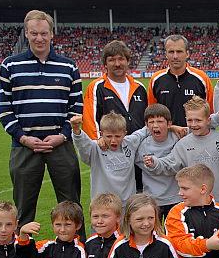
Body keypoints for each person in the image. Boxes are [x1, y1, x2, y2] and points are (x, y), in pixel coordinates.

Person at [0, 10, 83, 235]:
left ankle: (79, 251)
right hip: (24, 146)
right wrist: (23, 138)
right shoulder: (10, 66)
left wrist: (62, 135)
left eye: (44, 33)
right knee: (23, 209)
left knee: (71, 206)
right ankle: (21, 253)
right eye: (34, 33)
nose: (39, 38)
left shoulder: (69, 67)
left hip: (61, 145)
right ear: (26, 33)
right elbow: (3, 109)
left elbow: (76, 108)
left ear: (52, 34)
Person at [82, 40, 148, 193]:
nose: (117, 64)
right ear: (105, 64)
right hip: (112, 150)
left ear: (128, 61)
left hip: (138, 150)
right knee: (114, 195)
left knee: (140, 194)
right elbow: (90, 117)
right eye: (112, 60)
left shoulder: (139, 87)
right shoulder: (97, 87)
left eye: (121, 59)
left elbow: (147, 118)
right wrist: (97, 139)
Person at [143, 96, 219, 204]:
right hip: (194, 202)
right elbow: (170, 163)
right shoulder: (183, 144)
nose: (193, 124)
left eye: (198, 120)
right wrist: (155, 162)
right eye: (189, 120)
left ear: (208, 120)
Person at [70, 112, 149, 207]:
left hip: (127, 204)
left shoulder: (130, 143)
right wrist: (76, 129)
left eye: (118, 136)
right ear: (101, 134)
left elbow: (143, 131)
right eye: (109, 136)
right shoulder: (96, 148)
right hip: (103, 206)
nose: (113, 140)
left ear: (125, 133)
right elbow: (83, 144)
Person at [148, 34, 213, 127]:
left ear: (187, 54)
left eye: (179, 51)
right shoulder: (156, 79)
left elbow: (210, 111)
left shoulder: (201, 78)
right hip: (166, 134)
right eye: (171, 52)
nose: (175, 56)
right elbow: (151, 113)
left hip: (195, 133)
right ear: (166, 54)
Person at [137, 104, 182, 221]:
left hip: (176, 197)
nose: (155, 125)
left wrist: (155, 163)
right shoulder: (142, 146)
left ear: (169, 124)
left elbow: (200, 125)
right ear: (146, 125)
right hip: (152, 199)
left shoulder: (179, 139)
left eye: (160, 121)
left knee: (173, 230)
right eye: (151, 122)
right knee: (152, 230)